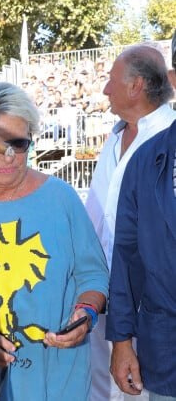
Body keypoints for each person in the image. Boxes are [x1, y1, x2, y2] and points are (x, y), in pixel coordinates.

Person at [0, 82, 108, 401]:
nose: (9, 155)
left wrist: (86, 313)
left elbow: (94, 274)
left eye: (18, 143)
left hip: (60, 382)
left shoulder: (62, 198)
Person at [85, 44, 176, 401]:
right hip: (105, 291)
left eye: (111, 80)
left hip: (150, 309)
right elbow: (104, 221)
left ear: (136, 85)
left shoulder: (163, 140)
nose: (106, 88)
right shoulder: (115, 136)